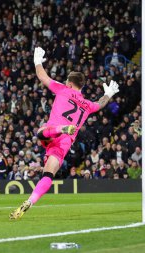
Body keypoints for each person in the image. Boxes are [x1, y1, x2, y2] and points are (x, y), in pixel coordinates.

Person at [9, 47, 119, 219]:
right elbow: (100, 103)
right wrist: (109, 94)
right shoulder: (88, 105)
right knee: (48, 174)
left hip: (51, 133)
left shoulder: (63, 89)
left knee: (40, 133)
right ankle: (30, 201)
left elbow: (42, 76)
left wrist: (37, 60)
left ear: (69, 83)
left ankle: (60, 128)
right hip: (64, 143)